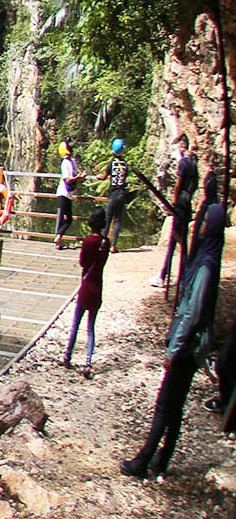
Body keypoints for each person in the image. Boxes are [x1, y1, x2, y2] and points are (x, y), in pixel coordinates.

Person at [123, 202, 226, 478]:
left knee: (164, 405)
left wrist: (175, 348)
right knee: (175, 407)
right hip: (190, 347)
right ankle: (161, 460)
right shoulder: (208, 259)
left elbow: (192, 313)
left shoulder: (206, 266)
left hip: (187, 349)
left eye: (205, 221)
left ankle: (143, 460)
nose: (201, 225)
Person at [63, 207, 110, 374]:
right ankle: (88, 362)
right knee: (91, 327)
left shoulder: (88, 241)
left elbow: (83, 263)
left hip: (86, 286)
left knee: (76, 324)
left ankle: (68, 357)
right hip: (98, 286)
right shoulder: (106, 242)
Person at [157, 134, 201, 287]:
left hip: (181, 203)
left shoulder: (184, 162)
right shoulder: (195, 162)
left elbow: (179, 182)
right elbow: (195, 184)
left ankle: (166, 275)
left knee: (176, 240)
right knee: (180, 241)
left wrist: (175, 200)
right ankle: (176, 274)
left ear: (183, 146)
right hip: (187, 202)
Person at [53, 141, 82, 248]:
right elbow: (68, 180)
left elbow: (76, 174)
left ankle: (58, 239)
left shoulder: (72, 161)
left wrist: (81, 176)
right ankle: (58, 238)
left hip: (68, 194)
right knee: (65, 219)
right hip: (63, 193)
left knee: (67, 219)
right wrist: (78, 178)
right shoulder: (65, 163)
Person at [104, 138, 130, 252]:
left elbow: (104, 176)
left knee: (108, 219)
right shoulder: (125, 164)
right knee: (118, 220)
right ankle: (113, 246)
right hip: (122, 194)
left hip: (113, 194)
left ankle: (103, 244)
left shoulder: (112, 164)